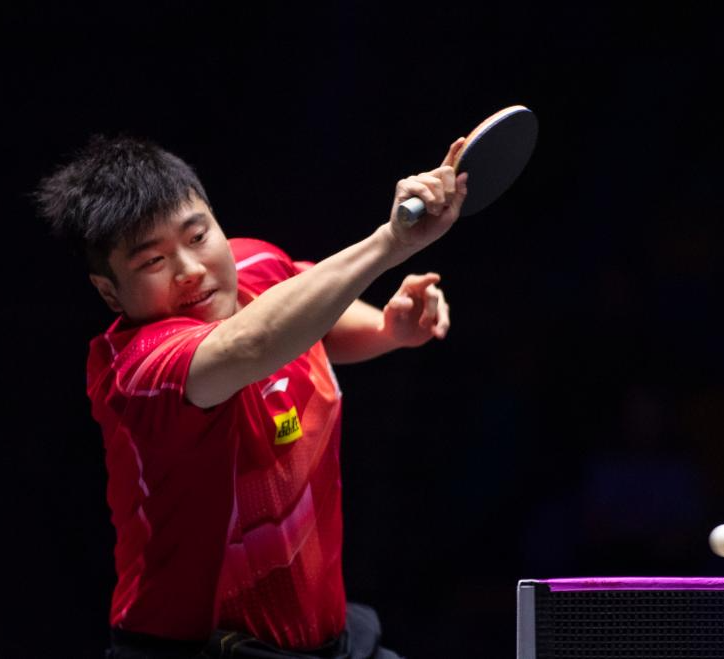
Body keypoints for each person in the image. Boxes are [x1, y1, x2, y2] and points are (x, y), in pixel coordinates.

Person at [35, 134, 468, 658]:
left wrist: (388, 329)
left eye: (198, 236)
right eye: (153, 261)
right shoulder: (138, 369)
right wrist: (392, 242)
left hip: (330, 638)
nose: (190, 269)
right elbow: (253, 344)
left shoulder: (256, 266)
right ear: (110, 292)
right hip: (196, 650)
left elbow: (309, 304)